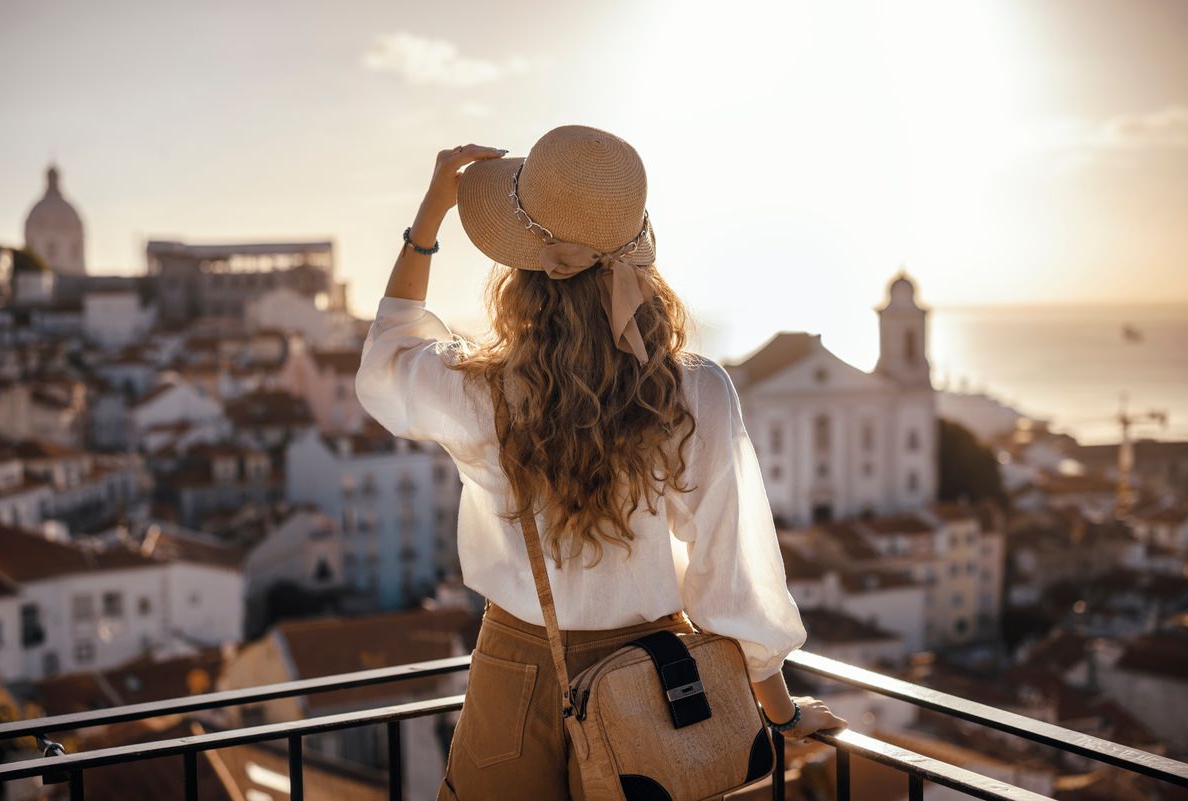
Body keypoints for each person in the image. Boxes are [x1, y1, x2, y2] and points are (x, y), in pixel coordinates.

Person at [355, 124, 847, 801]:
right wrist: (779, 709)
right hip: (654, 677)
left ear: (523, 271)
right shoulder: (695, 390)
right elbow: (729, 570)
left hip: (516, 671)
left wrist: (430, 216)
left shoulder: (480, 391)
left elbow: (384, 366)